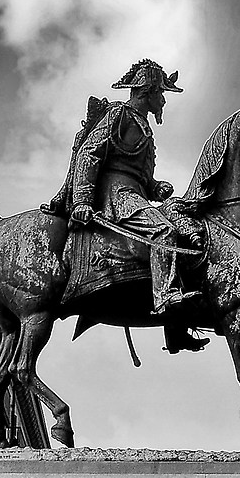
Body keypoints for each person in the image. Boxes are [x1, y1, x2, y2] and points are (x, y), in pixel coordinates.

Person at [58, 59, 204, 319]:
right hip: (117, 196)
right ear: (148, 91)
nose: (163, 100)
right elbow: (89, 154)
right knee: (164, 232)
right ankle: (165, 297)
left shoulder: (143, 126)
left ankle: (177, 330)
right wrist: (82, 201)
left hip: (134, 193)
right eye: (160, 93)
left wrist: (154, 186)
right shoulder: (119, 115)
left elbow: (137, 173)